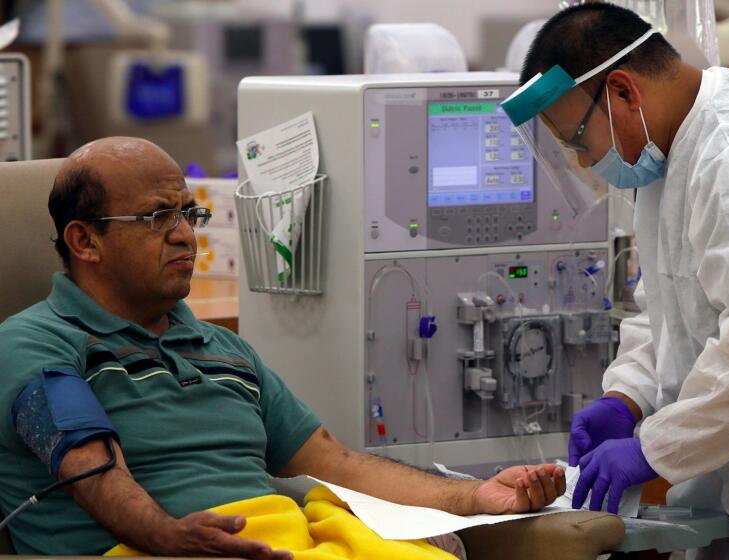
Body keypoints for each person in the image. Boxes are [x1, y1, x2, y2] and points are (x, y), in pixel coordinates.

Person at [0, 137, 565, 557]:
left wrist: (476, 497)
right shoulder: (35, 343)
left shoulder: (223, 350)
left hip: (268, 543)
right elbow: (91, 467)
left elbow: (338, 465)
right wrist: (169, 539)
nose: (183, 234)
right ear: (85, 240)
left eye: (187, 213)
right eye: (155, 217)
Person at [505, 4, 729, 559]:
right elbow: (666, 308)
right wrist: (627, 396)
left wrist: (652, 448)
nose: (585, 163)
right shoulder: (668, 158)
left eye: (580, 139)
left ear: (623, 92)